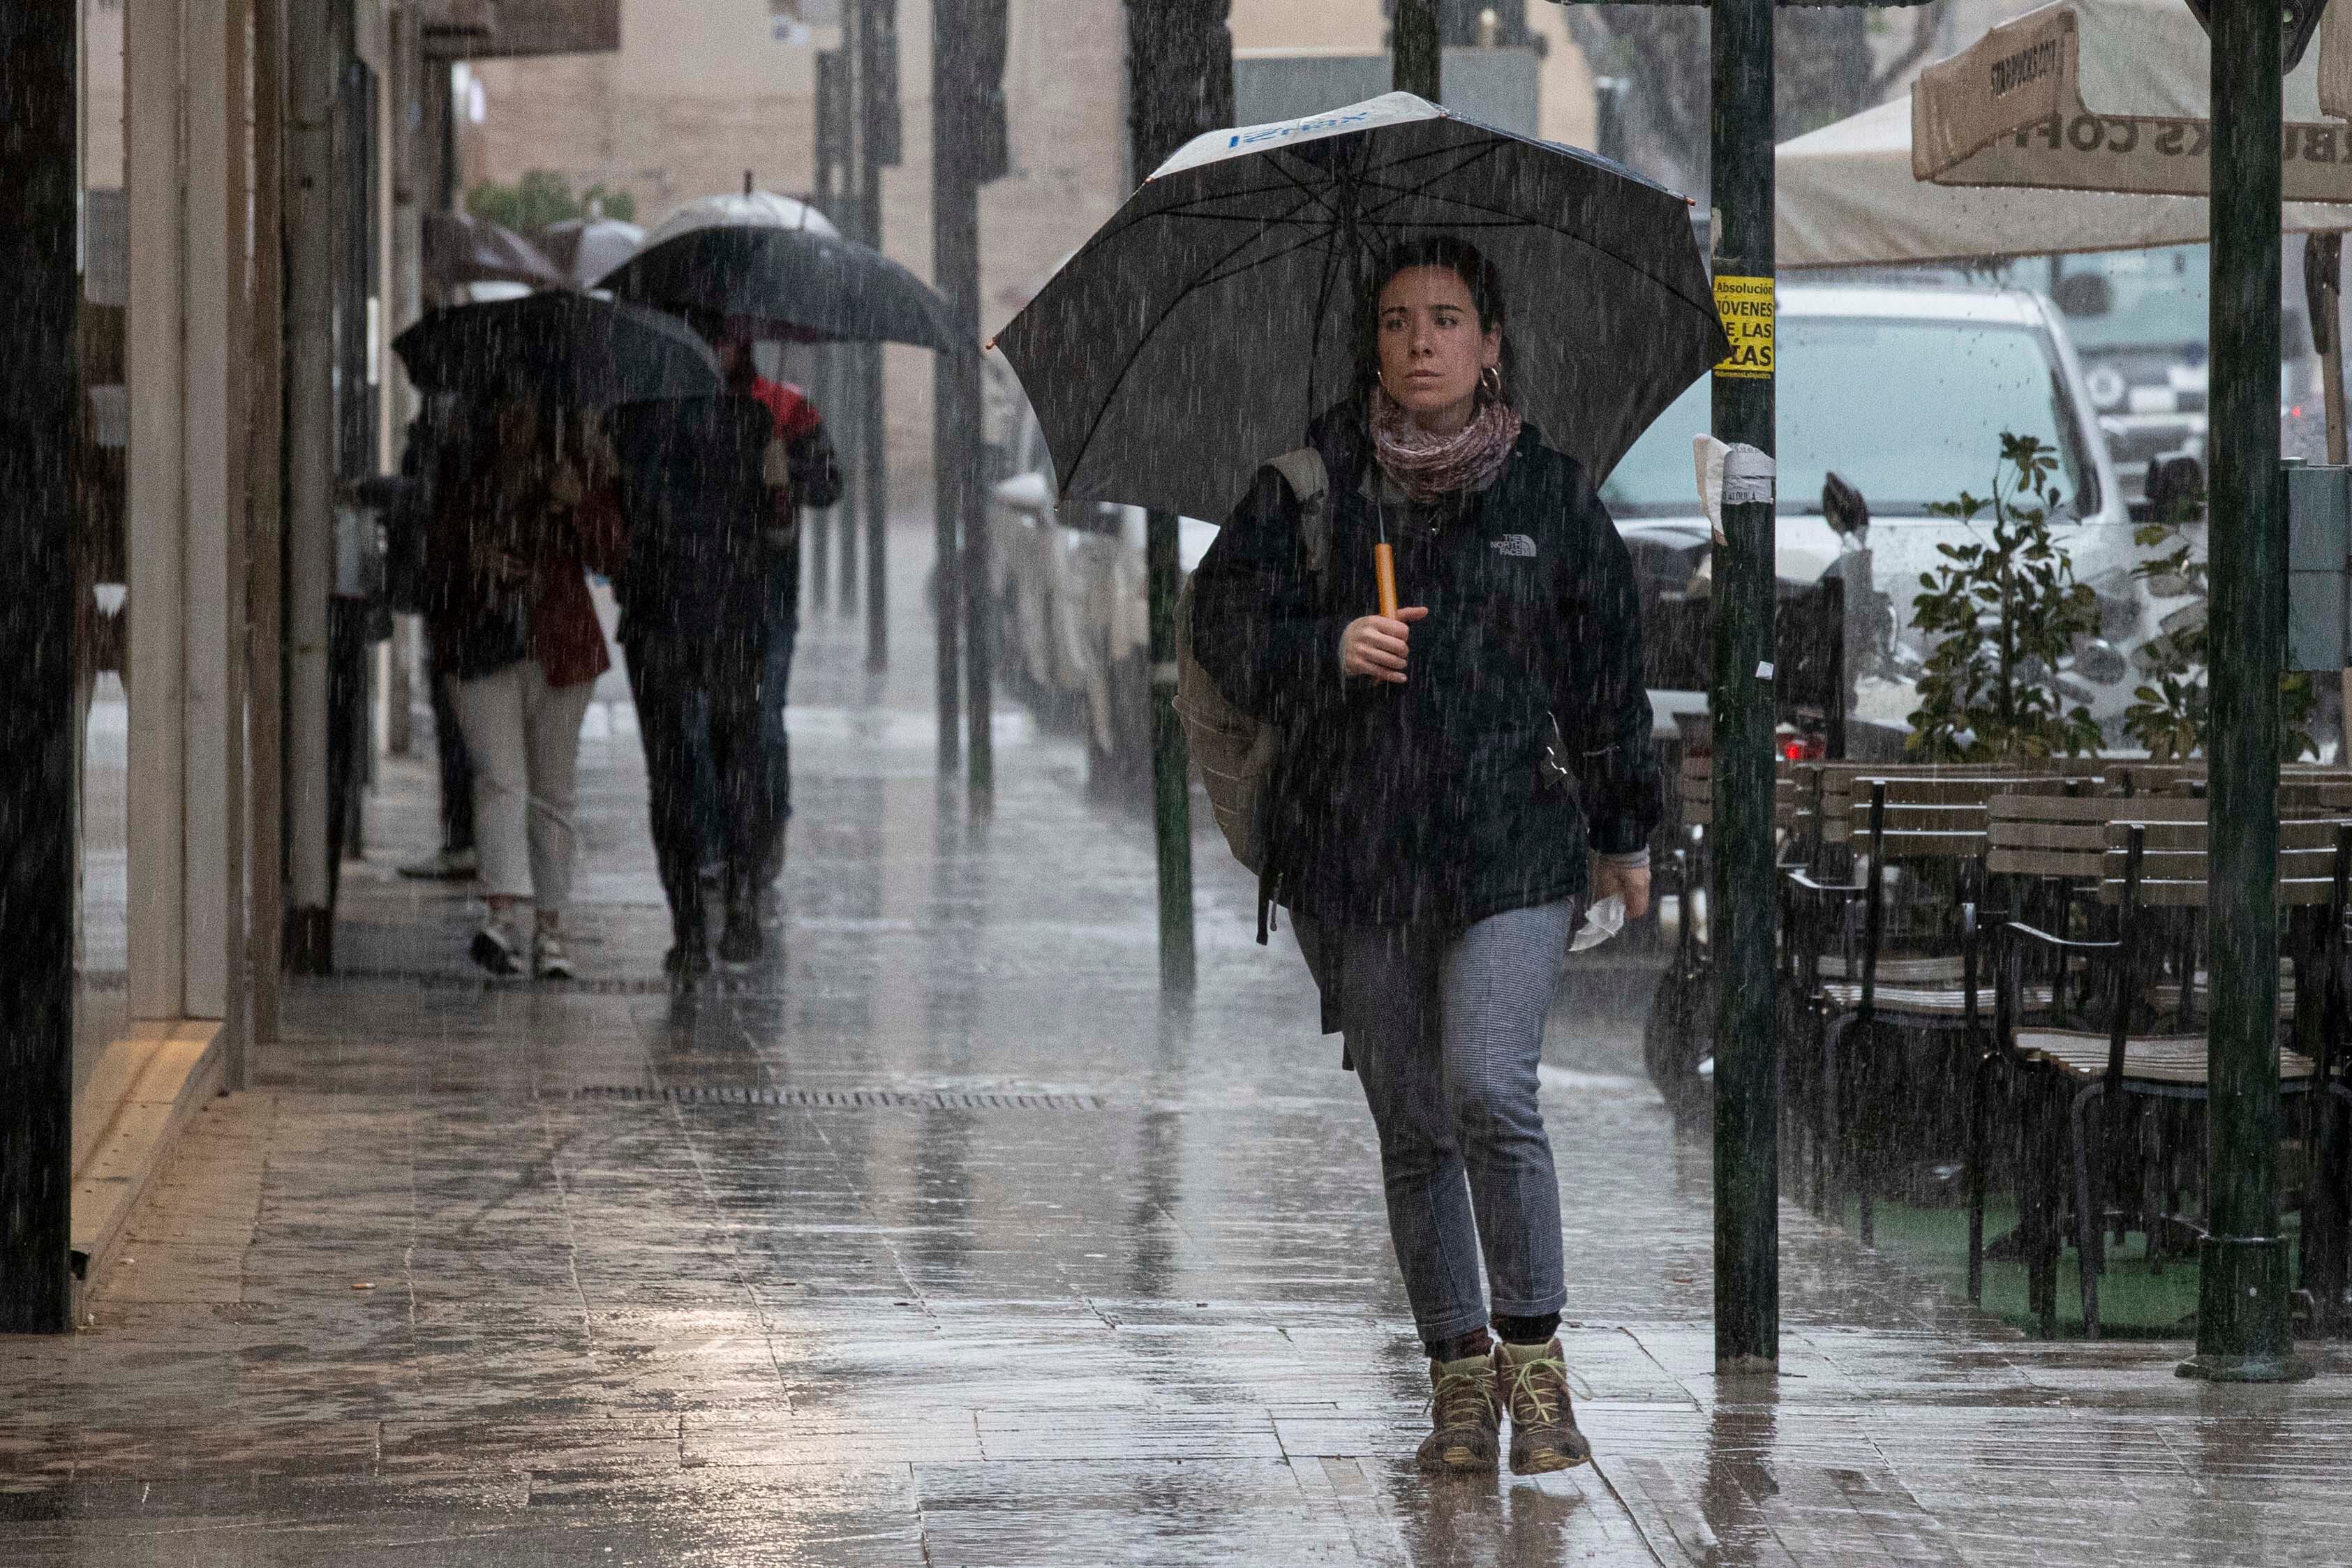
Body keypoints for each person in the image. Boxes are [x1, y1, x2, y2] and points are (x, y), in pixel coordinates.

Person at [1188, 237, 1660, 1477]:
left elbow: (1608, 673)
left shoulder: (1548, 496)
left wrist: (1626, 833)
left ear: (1492, 344)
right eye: (1398, 322)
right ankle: (1458, 1378)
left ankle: (1538, 1361)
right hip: (1357, 853)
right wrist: (1330, 644)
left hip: (1511, 849)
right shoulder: (1310, 488)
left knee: (1489, 1086)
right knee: (1411, 1122)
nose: (1422, 343)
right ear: (1374, 346)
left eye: (1448, 320)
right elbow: (1222, 626)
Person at [608, 316, 828, 973]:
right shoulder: (749, 424)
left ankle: (694, 928)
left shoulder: (634, 424)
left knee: (681, 777)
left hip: (674, 620)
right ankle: (729, 906)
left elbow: (621, 524)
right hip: (722, 618)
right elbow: (773, 531)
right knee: (730, 768)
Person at [425, 382, 618, 979]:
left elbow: (612, 554)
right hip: (480, 645)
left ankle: (551, 930)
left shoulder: (577, 463)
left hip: (559, 648)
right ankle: (503, 918)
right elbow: (432, 553)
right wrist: (473, 558)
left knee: (552, 790)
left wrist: (576, 501)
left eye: (526, 403)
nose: (515, 415)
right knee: (500, 780)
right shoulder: (463, 469)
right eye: (505, 401)